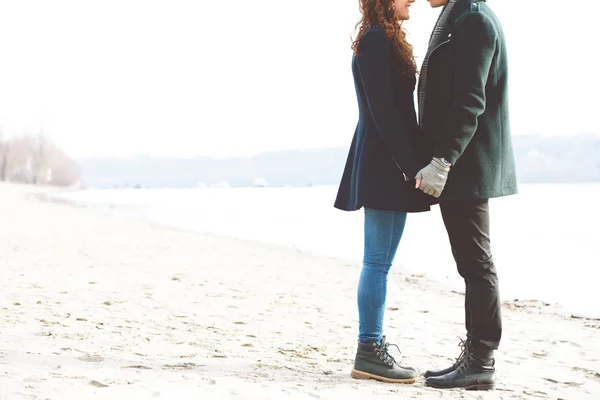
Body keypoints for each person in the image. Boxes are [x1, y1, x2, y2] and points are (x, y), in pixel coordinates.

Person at [415, 0, 518, 390]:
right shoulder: (458, 13)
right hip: (459, 164)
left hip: (466, 165)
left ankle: (481, 361)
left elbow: (470, 101)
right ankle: (475, 354)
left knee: (477, 264)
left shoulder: (473, 18)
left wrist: (442, 161)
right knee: (471, 264)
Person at [334, 0, 434, 384]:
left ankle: (371, 348)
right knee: (375, 262)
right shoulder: (375, 41)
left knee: (381, 263)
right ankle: (369, 350)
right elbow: (382, 112)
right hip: (384, 163)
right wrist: (412, 167)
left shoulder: (384, 39)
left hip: (391, 161)